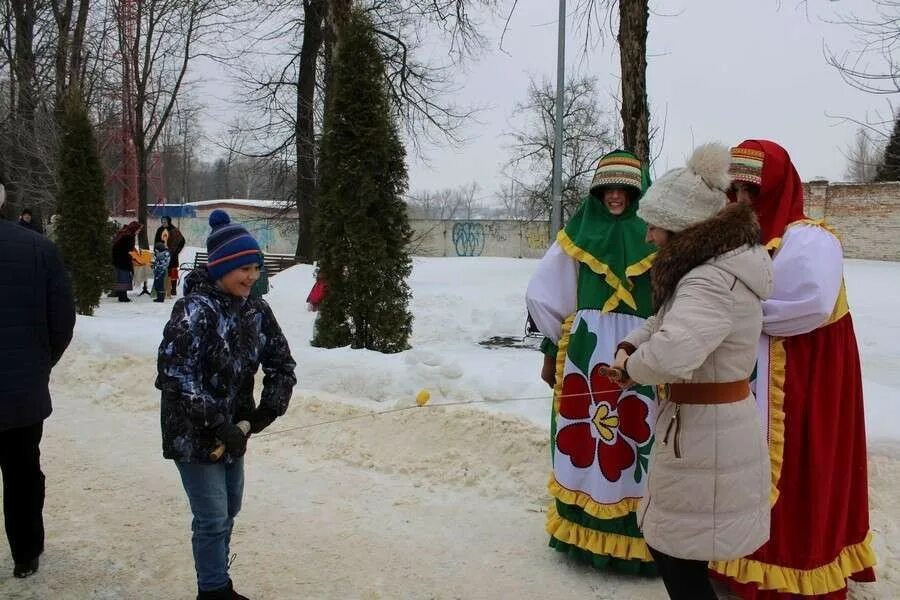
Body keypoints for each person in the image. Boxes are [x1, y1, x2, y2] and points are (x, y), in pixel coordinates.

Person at [709, 140, 876, 599]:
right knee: (742, 464)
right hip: (753, 370)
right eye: (735, 190)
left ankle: (793, 566)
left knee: (796, 468)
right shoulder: (731, 238)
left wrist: (734, 315)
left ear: (777, 186)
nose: (742, 200)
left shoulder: (809, 239)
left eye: (752, 190)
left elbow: (810, 306)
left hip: (803, 377)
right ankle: (737, 561)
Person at [613, 143, 773, 600]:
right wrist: (629, 345)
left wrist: (632, 370)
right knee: (682, 546)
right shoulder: (707, 270)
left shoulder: (707, 279)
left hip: (706, 433)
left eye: (655, 225)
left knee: (676, 551)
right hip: (704, 430)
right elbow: (664, 324)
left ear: (681, 226)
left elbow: (673, 352)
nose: (648, 236)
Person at [525, 150, 658, 575]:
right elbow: (544, 295)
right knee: (589, 438)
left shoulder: (659, 233)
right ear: (597, 192)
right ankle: (584, 533)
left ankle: (642, 536)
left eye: (625, 189)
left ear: (639, 192)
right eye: (608, 189)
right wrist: (554, 348)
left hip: (642, 348)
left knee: (640, 437)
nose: (616, 196)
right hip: (590, 350)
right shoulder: (576, 235)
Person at [156, 209, 296, 600]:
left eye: (256, 267)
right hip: (193, 433)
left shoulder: (256, 309)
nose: (252, 276)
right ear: (221, 268)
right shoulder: (195, 310)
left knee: (230, 508)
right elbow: (174, 373)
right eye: (243, 269)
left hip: (234, 432)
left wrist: (265, 411)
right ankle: (213, 590)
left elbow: (282, 363)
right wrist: (219, 424)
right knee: (213, 517)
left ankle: (219, 579)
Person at [0, 183, 76, 578]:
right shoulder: (38, 249)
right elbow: (62, 318)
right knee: (22, 471)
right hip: (22, 392)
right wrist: (40, 363)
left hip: (23, 383)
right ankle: (26, 554)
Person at [154, 216, 186, 296]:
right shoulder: (160, 230)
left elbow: (182, 241)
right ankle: (165, 287)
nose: (163, 223)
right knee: (164, 271)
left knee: (173, 271)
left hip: (173, 255)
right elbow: (156, 241)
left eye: (165, 221)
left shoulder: (174, 230)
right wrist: (156, 251)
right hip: (162, 254)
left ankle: (173, 289)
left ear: (169, 221)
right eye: (162, 221)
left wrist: (176, 251)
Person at [111, 221, 142, 302]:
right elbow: (129, 250)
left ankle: (120, 294)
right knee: (124, 277)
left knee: (121, 277)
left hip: (117, 258)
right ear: (134, 228)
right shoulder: (129, 236)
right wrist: (135, 258)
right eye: (138, 229)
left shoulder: (124, 232)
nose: (139, 231)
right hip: (123, 259)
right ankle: (123, 297)